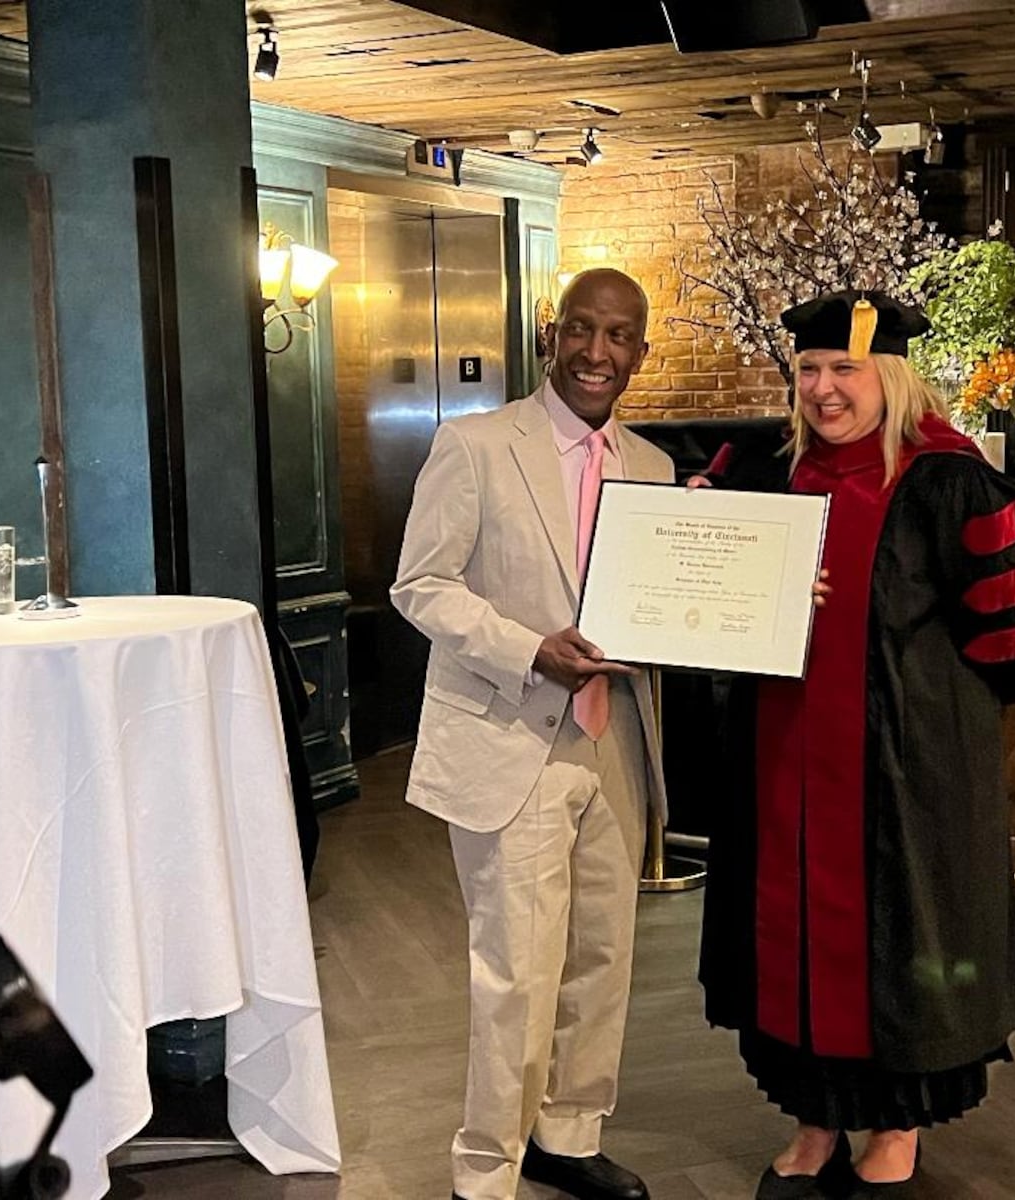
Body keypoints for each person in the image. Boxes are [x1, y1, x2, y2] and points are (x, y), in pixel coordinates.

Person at [696, 291, 1015, 1199]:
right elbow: (702, 601)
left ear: (891, 376)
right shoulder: (761, 471)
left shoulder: (948, 481)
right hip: (780, 761)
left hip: (904, 775)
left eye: (846, 370)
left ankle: (896, 1127)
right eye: (811, 372)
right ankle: (815, 1120)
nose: (826, 391)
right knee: (787, 936)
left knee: (902, 939)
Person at [391, 268, 675, 1200]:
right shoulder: (474, 445)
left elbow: (668, 608)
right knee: (515, 969)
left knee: (602, 954)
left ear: (641, 350)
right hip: (509, 735)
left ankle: (569, 1135)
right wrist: (527, 649)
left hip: (616, 742)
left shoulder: (655, 470)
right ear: (551, 336)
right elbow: (420, 585)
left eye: (621, 337)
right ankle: (486, 1171)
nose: (599, 354)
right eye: (583, 332)